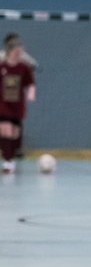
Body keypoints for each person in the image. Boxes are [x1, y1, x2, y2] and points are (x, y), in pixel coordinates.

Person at [0, 34, 36, 173]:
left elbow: (30, 83)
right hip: (3, 105)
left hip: (17, 105)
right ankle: (7, 162)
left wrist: (31, 93)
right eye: (16, 48)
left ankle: (10, 156)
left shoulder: (24, 67)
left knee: (15, 135)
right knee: (6, 130)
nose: (19, 51)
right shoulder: (2, 65)